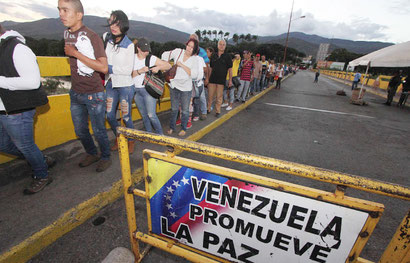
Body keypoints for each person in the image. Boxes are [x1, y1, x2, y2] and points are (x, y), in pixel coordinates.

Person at [58, 0, 111, 172]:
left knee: (99, 130)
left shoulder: (92, 36)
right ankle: (92, 153)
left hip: (93, 94)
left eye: (65, 10)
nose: (61, 14)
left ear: (79, 15)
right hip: (76, 93)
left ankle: (105, 157)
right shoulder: (67, 34)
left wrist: (75, 53)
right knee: (80, 131)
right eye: (59, 10)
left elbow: (103, 67)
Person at [0, 25, 54, 194]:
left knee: (26, 146)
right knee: (4, 144)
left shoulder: (18, 49)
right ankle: (40, 159)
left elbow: (32, 82)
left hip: (18, 110)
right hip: (4, 110)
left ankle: (42, 175)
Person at [103, 11, 135, 154]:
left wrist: (108, 68)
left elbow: (128, 69)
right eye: (111, 22)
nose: (113, 26)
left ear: (123, 24)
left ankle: (131, 141)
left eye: (117, 23)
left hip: (125, 86)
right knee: (109, 115)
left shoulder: (129, 45)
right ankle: (119, 138)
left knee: (126, 116)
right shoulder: (107, 40)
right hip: (110, 83)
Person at [132, 38, 171, 134]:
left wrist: (158, 67)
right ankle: (149, 134)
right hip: (136, 91)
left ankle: (160, 135)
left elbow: (168, 66)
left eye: (147, 50)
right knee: (144, 115)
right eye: (144, 50)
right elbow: (128, 74)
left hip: (148, 90)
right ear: (138, 48)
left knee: (151, 115)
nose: (146, 52)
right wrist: (140, 71)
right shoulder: (131, 58)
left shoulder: (151, 58)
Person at [162, 39, 198, 136]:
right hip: (174, 85)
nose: (189, 48)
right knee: (174, 109)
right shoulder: (179, 51)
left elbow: (194, 75)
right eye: (188, 45)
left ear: (194, 49)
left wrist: (182, 65)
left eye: (192, 47)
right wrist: (167, 63)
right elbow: (165, 54)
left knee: (185, 110)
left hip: (186, 88)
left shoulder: (195, 59)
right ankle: (172, 127)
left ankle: (184, 128)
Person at [208, 40, 232, 117]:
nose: (222, 46)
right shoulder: (213, 55)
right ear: (218, 45)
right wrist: (208, 78)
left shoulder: (228, 56)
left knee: (219, 97)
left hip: (221, 80)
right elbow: (210, 68)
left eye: (223, 45)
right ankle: (208, 109)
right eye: (220, 44)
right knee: (210, 96)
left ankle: (218, 111)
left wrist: (230, 81)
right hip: (212, 80)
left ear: (225, 46)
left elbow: (230, 70)